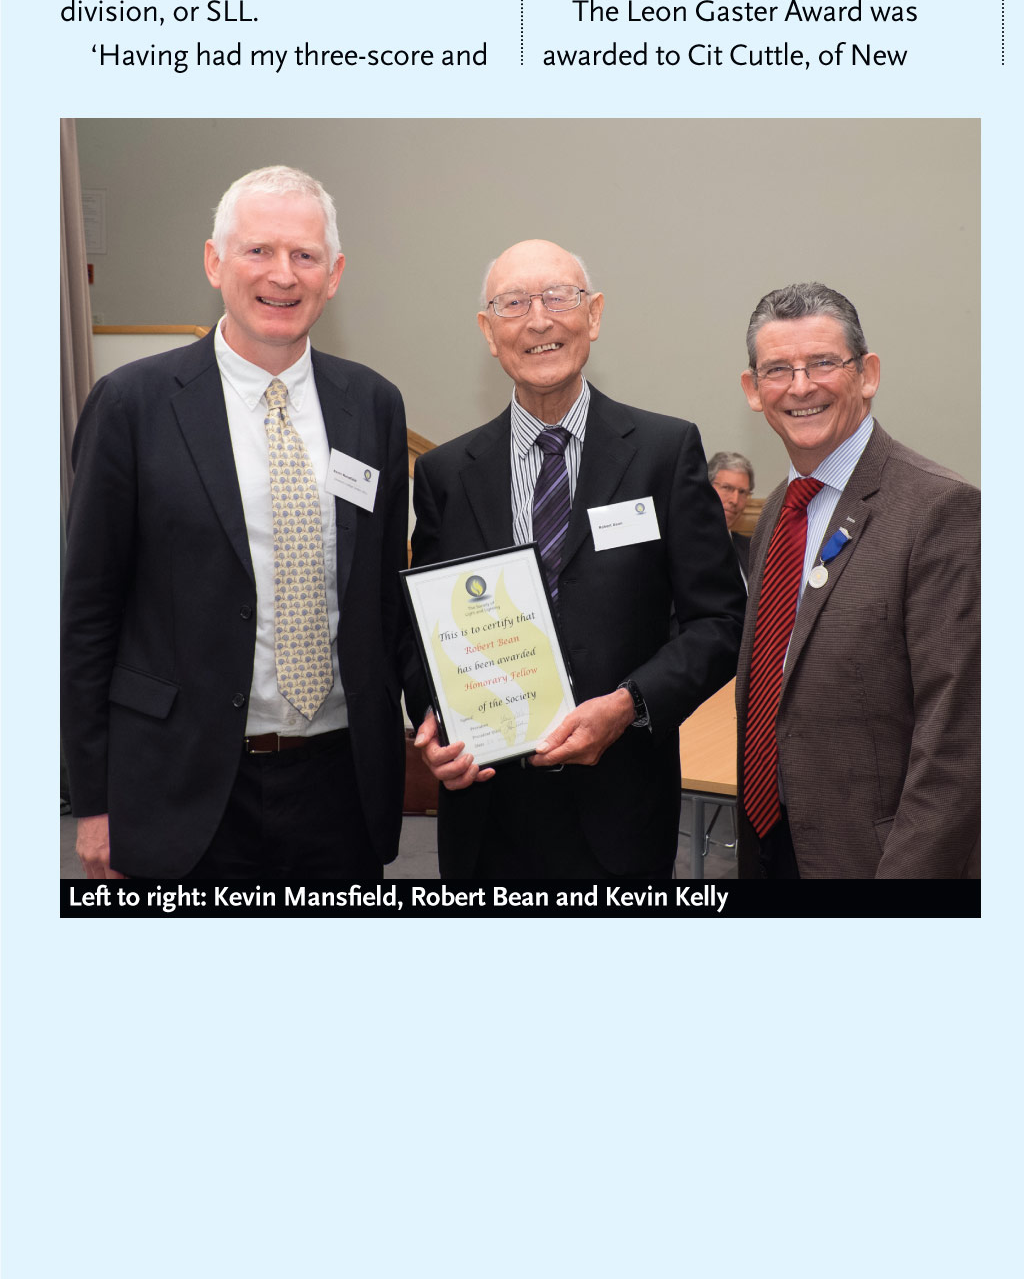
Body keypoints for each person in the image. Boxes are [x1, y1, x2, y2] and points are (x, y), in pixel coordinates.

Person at [61, 166, 409, 881]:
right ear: (215, 262)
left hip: (340, 784)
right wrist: (92, 801)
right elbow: (86, 613)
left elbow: (386, 596)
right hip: (179, 785)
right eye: (258, 250)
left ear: (334, 274)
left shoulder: (373, 405)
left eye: (305, 255)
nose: (283, 274)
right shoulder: (131, 404)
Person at [407, 239, 745, 881]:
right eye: (514, 304)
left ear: (593, 315)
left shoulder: (664, 451)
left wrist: (627, 705)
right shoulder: (447, 474)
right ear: (488, 332)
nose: (539, 321)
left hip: (621, 806)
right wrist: (435, 716)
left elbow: (721, 622)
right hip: (487, 811)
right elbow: (420, 632)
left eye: (559, 298)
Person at [736, 281, 980, 879]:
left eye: (824, 363)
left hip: (876, 864)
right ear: (753, 390)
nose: (801, 387)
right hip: (774, 845)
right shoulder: (780, 510)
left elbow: (960, 741)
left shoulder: (940, 509)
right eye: (778, 370)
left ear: (867, 374)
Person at [707, 450, 755, 581]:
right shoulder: (682, 544)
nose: (735, 500)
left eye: (742, 492)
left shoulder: (753, 550)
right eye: (727, 488)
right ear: (706, 488)